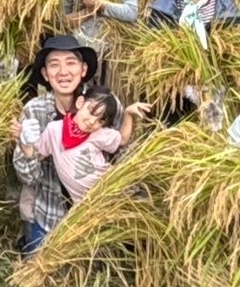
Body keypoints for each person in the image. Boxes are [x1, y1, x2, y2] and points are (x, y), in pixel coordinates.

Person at [12, 35, 94, 254]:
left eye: (70, 63)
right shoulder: (34, 110)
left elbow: (122, 154)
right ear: (45, 74)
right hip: (48, 213)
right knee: (43, 274)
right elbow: (27, 177)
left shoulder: (100, 105)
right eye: (54, 65)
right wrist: (29, 148)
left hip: (92, 215)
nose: (63, 72)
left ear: (83, 69)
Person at [17, 83, 147, 205]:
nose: (92, 122)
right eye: (91, 112)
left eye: (100, 121)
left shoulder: (99, 133)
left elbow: (123, 139)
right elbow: (35, 154)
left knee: (134, 209)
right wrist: (25, 142)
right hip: (86, 205)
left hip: (111, 186)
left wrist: (128, 113)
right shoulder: (54, 130)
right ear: (80, 103)